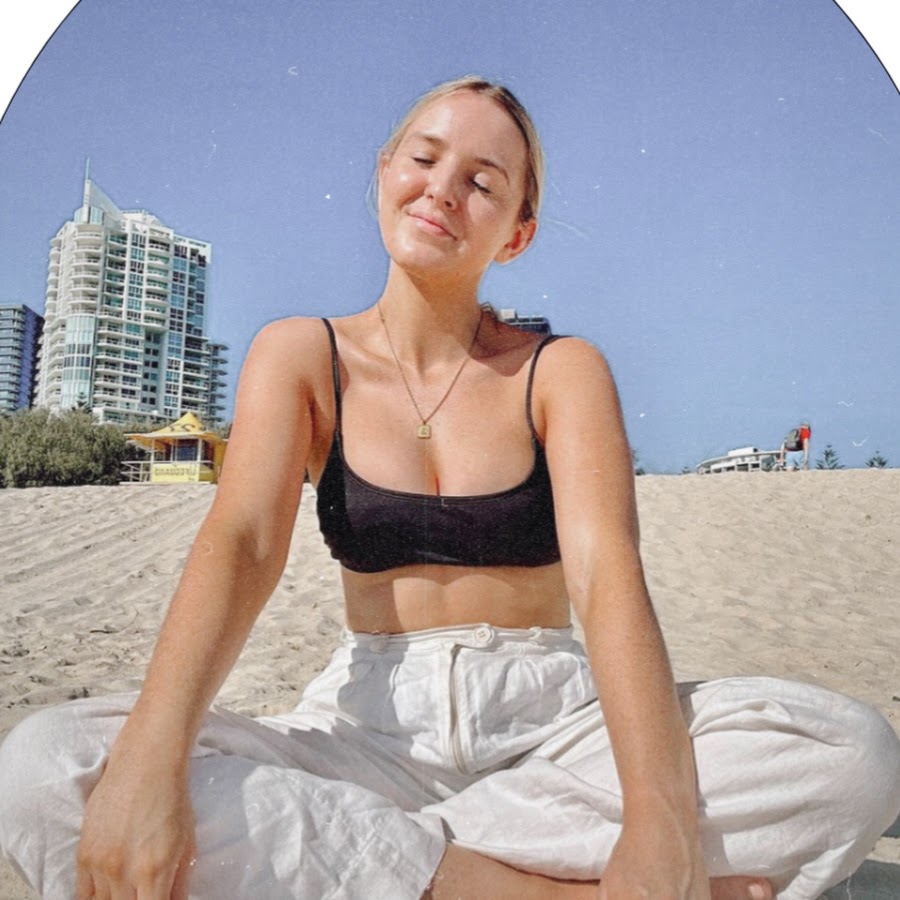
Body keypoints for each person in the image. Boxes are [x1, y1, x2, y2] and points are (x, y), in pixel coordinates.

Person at [1, 77, 898, 900]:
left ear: (517, 231)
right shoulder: (300, 355)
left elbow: (606, 577)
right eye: (424, 159)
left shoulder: (560, 371)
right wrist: (150, 763)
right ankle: (536, 890)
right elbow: (243, 541)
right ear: (383, 173)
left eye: (482, 182)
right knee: (47, 769)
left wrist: (655, 821)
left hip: (553, 737)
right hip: (362, 740)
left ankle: (378, 862)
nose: (442, 189)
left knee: (852, 756)